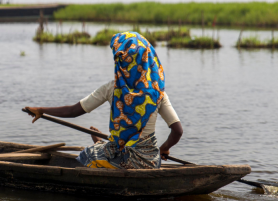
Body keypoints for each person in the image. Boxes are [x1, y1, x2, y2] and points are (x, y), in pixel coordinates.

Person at [23, 31, 182, 169]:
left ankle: (100, 144)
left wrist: (42, 110)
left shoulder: (113, 89)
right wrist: (164, 149)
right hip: (151, 161)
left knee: (87, 154)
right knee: (113, 147)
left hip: (125, 161)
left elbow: (73, 111)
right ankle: (102, 143)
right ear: (147, 59)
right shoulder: (157, 92)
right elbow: (177, 131)